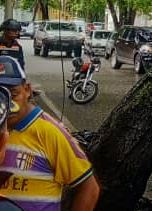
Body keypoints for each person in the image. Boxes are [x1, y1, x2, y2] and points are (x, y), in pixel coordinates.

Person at [0, 57, 99, 210]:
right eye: (1, 97)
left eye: (13, 95)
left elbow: (89, 188)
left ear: (27, 90)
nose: (7, 105)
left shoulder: (50, 131)